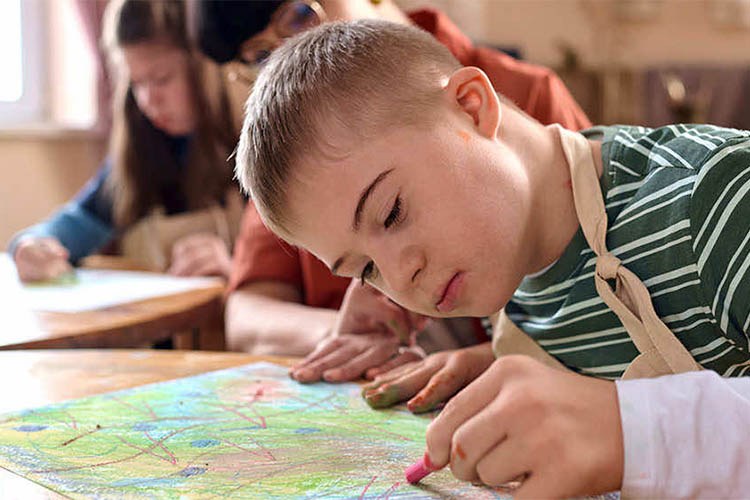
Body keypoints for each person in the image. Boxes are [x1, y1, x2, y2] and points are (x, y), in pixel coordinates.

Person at [235, 20, 750, 498]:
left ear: (472, 106)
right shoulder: (504, 266)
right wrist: (486, 362)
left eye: (391, 213)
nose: (398, 275)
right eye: (365, 270)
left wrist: (627, 430)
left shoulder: (714, 194)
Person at [195, 0, 591, 372]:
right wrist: (343, 339)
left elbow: (599, 249)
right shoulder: (299, 163)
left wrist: (492, 361)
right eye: (262, 57)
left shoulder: (527, 97)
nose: (290, 52)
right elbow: (248, 310)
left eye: (301, 16)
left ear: (472, 105)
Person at [9, 0, 241, 283]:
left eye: (161, 79)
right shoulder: (144, 145)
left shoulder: (251, 137)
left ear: (204, 66)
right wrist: (31, 245)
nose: (148, 101)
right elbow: (77, 222)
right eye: (137, 83)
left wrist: (238, 265)